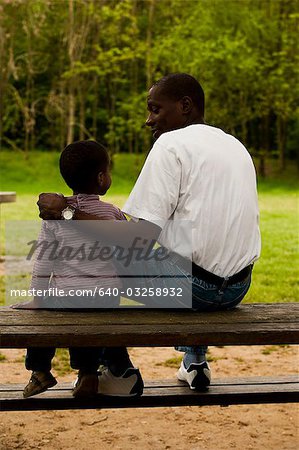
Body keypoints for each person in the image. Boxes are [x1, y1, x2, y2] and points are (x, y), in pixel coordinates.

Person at [37, 73, 261, 391]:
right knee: (176, 250)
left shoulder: (169, 145)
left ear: (185, 106)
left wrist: (67, 212)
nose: (148, 120)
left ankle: (118, 369)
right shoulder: (233, 144)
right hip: (238, 287)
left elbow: (135, 242)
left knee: (101, 263)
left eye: (155, 110)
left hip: (195, 290)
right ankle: (194, 360)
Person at [13, 140, 143, 398]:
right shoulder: (111, 214)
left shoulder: (53, 217)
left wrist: (38, 297)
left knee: (43, 316)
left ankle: (39, 371)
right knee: (92, 320)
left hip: (67, 295)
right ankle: (87, 374)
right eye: (108, 171)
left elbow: (43, 261)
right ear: (101, 177)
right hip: (107, 295)